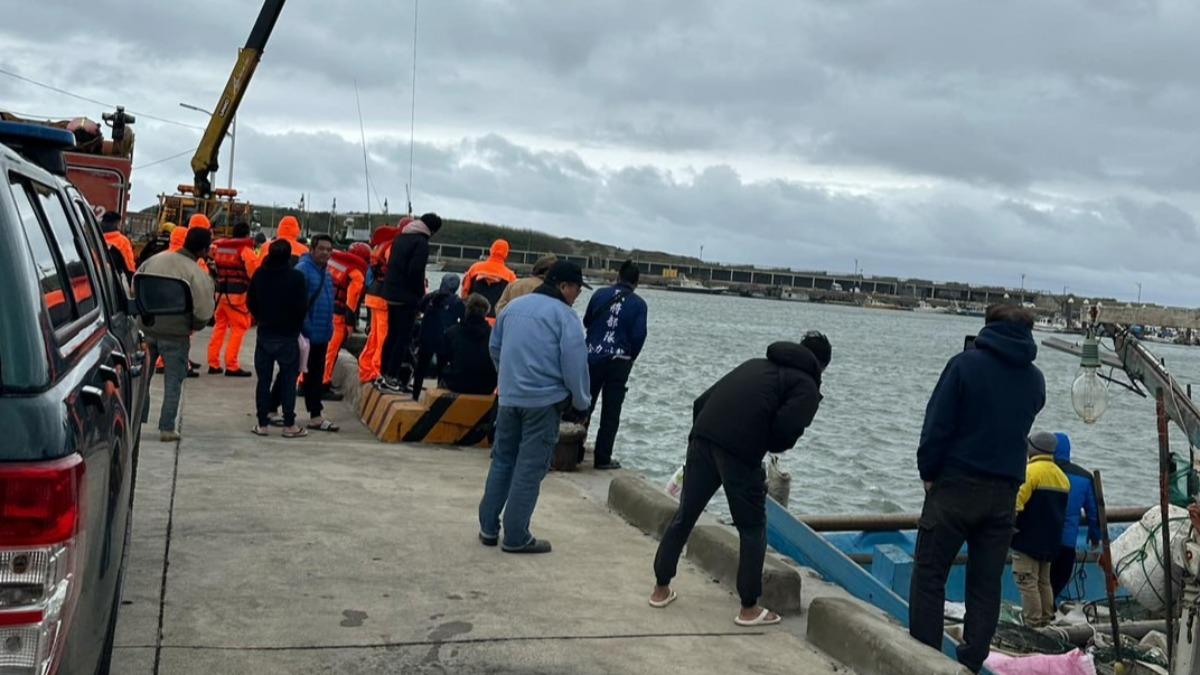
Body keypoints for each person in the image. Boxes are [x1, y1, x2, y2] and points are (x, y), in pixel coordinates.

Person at [650, 333, 829, 626]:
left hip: (703, 437)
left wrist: (704, 440)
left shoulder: (756, 364)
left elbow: (702, 401)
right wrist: (756, 444)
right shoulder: (806, 386)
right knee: (752, 527)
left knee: (686, 515)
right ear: (821, 367)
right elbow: (784, 433)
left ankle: (660, 589)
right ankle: (749, 608)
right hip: (740, 451)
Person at [908, 305, 1046, 673]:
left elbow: (936, 423)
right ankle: (970, 664)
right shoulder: (1035, 380)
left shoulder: (964, 365)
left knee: (929, 575)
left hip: (955, 486)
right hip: (1004, 494)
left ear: (989, 327)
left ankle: (925, 661)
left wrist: (928, 471)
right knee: (986, 585)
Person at [478, 260, 592, 554]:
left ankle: (488, 527)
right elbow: (575, 363)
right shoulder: (565, 317)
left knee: (502, 460)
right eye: (577, 290)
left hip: (509, 398)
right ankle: (516, 536)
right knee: (529, 469)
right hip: (544, 403)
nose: (577, 296)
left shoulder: (514, 307)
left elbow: (495, 347)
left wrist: (508, 378)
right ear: (565, 286)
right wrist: (581, 402)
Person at [137, 227, 215, 442]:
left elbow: (136, 287)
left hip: (146, 329)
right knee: (173, 381)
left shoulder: (155, 260)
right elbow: (204, 311)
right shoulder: (197, 272)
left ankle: (137, 420)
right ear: (204, 249)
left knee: (143, 378)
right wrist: (193, 325)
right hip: (175, 334)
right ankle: (167, 428)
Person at [583, 260, 648, 470]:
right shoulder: (639, 304)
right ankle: (602, 458)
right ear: (636, 283)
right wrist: (630, 357)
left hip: (592, 356)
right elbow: (639, 336)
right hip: (619, 361)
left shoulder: (599, 294)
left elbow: (586, 321)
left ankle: (574, 450)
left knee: (584, 405)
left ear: (618, 277)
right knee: (611, 412)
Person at [247, 240, 309, 438]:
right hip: (288, 336)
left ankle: (262, 424)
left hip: (265, 334)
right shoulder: (297, 278)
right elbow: (302, 307)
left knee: (263, 381)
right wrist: (295, 325)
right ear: (289, 255)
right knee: (289, 381)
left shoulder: (260, 275)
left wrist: (262, 317)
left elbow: (251, 302)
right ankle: (289, 424)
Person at [1011, 431, 1071, 627]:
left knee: (1027, 581)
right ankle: (1047, 620)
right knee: (1044, 582)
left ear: (1033, 449)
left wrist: (1008, 526)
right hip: (1050, 541)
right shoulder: (1062, 477)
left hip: (1027, 538)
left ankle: (1033, 623)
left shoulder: (1030, 472)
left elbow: (1016, 503)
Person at [378, 213, 442, 394]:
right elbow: (415, 270)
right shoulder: (421, 243)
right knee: (403, 338)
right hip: (406, 297)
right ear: (432, 229)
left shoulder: (401, 237)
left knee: (391, 334)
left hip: (390, 292)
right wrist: (419, 293)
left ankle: (383, 374)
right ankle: (392, 376)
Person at [290, 234, 339, 432]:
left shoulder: (326, 272)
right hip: (305, 334)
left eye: (329, 250)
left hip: (321, 333)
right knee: (291, 372)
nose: (326, 253)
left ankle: (315, 415)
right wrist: (306, 327)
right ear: (312, 250)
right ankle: (271, 408)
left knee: (315, 376)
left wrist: (329, 327)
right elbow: (297, 303)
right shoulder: (303, 271)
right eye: (322, 249)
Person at [1050, 432, 1102, 604]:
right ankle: (1048, 613)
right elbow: (1094, 513)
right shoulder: (1084, 477)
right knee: (1058, 581)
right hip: (1067, 543)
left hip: (1042, 540)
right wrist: (1095, 536)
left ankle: (1040, 616)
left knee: (1039, 584)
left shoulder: (1040, 471)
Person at [207, 222, 259, 376]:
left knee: (219, 327)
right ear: (247, 234)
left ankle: (213, 363)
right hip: (237, 297)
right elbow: (254, 272)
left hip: (220, 294)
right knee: (239, 328)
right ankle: (232, 365)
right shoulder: (245, 250)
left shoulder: (220, 247)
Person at [321, 242, 371, 399]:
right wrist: (350, 324)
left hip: (321, 309)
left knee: (316, 349)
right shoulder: (356, 272)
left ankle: (304, 382)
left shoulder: (332, 263)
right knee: (330, 351)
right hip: (337, 315)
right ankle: (322, 385)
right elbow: (351, 301)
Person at [357, 221, 405, 384]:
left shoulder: (381, 246)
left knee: (374, 336)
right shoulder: (393, 247)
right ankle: (377, 371)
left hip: (373, 293)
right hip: (383, 295)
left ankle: (365, 369)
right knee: (382, 337)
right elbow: (394, 270)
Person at [413, 274, 465, 399]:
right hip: (445, 339)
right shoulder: (457, 302)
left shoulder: (431, 297)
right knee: (443, 369)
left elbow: (419, 308)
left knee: (421, 368)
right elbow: (463, 320)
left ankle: (415, 394)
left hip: (426, 337)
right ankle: (438, 396)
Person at [440, 293, 497, 395]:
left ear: (467, 310)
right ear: (486, 312)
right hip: (487, 385)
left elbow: (442, 359)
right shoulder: (493, 334)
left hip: (457, 383)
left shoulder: (452, 332)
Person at [461, 239, 517, 321]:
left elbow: (464, 293)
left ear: (491, 250)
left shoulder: (475, 268)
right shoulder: (510, 276)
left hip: (472, 318)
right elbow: (512, 302)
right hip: (496, 321)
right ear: (506, 254)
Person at [100, 211, 136, 279]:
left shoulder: (92, 238)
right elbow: (129, 267)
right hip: (111, 281)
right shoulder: (122, 241)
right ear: (117, 224)